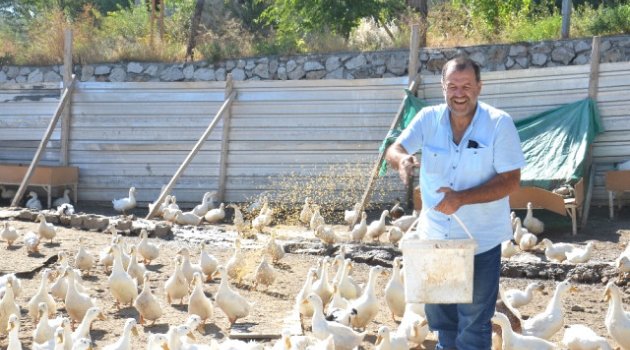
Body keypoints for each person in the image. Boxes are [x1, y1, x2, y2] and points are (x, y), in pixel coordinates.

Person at [385, 56, 525, 350]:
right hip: (435, 239)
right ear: (443, 87)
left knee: (474, 323)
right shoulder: (427, 119)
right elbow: (394, 149)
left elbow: (511, 181)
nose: (459, 93)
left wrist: (461, 198)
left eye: (466, 86)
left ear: (479, 87)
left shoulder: (499, 123)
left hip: (480, 242)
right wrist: (402, 161)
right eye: (452, 86)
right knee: (442, 320)